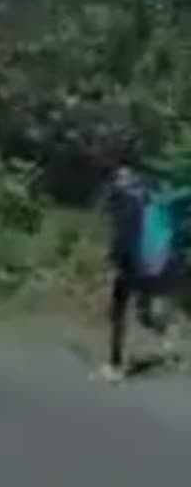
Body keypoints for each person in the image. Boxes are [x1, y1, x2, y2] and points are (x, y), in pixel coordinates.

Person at [101, 164, 181, 382]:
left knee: (120, 315)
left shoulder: (125, 201)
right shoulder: (148, 198)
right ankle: (168, 333)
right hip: (155, 264)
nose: (115, 183)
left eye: (116, 179)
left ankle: (116, 366)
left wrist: (114, 262)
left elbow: (125, 237)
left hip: (131, 265)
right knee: (143, 312)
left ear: (119, 182)